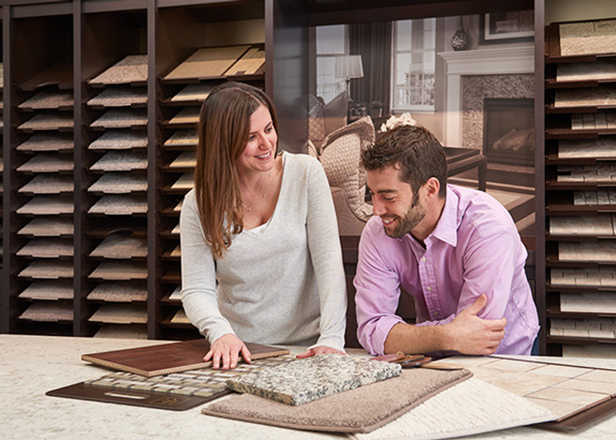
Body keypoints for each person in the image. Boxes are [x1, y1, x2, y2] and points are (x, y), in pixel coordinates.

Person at [180, 82, 347, 369]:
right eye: (250, 137)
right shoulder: (198, 203)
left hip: (307, 349)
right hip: (240, 352)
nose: (266, 144)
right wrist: (221, 334)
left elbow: (329, 263)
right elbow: (196, 289)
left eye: (269, 129)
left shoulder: (306, 174)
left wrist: (331, 338)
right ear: (224, 143)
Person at [354, 124, 539, 357]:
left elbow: (477, 332)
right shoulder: (378, 231)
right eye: (372, 194)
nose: (376, 210)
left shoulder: (487, 228)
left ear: (430, 189)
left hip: (507, 356)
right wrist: (447, 335)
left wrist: (406, 337)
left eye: (389, 197)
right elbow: (371, 329)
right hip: (430, 357)